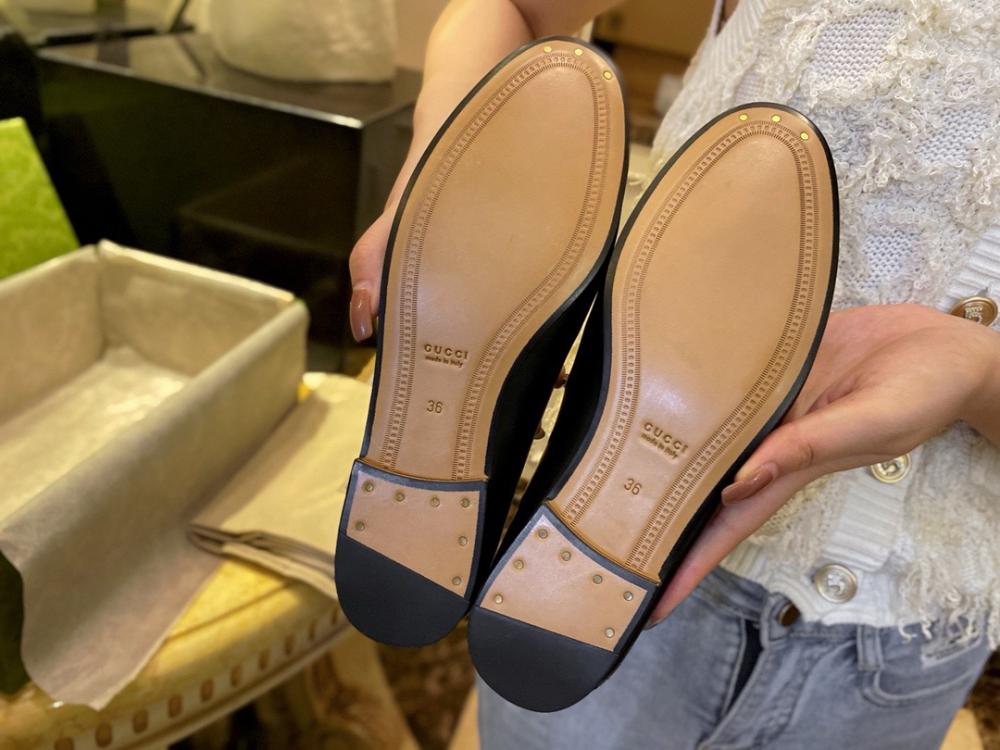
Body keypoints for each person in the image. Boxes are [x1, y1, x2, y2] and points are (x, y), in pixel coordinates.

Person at [348, 1, 1000, 747]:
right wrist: (436, 179)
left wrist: (977, 374)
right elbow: (514, 7)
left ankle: (481, 451)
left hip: (903, 641)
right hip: (608, 601)